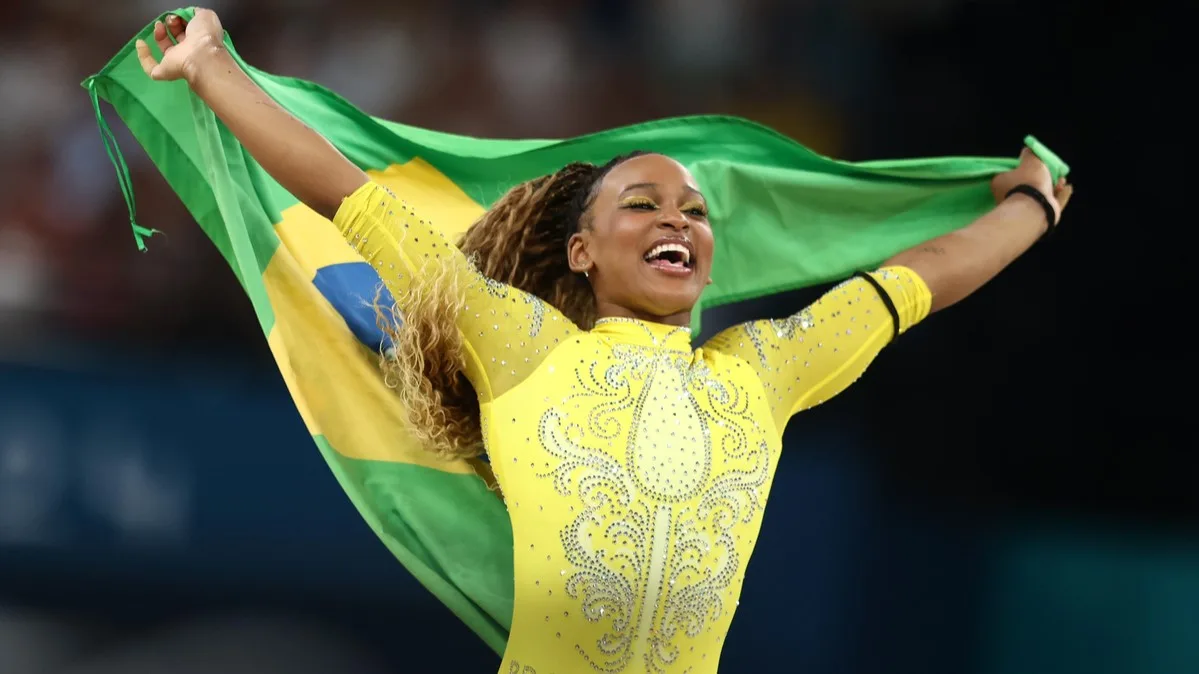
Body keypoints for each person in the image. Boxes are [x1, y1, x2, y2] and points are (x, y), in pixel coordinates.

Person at [136, 9, 1072, 673]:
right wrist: (212, 67)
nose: (678, 218)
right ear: (581, 251)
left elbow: (923, 279)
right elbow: (348, 195)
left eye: (695, 211)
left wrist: (1031, 204)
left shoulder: (764, 369)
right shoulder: (520, 344)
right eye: (644, 202)